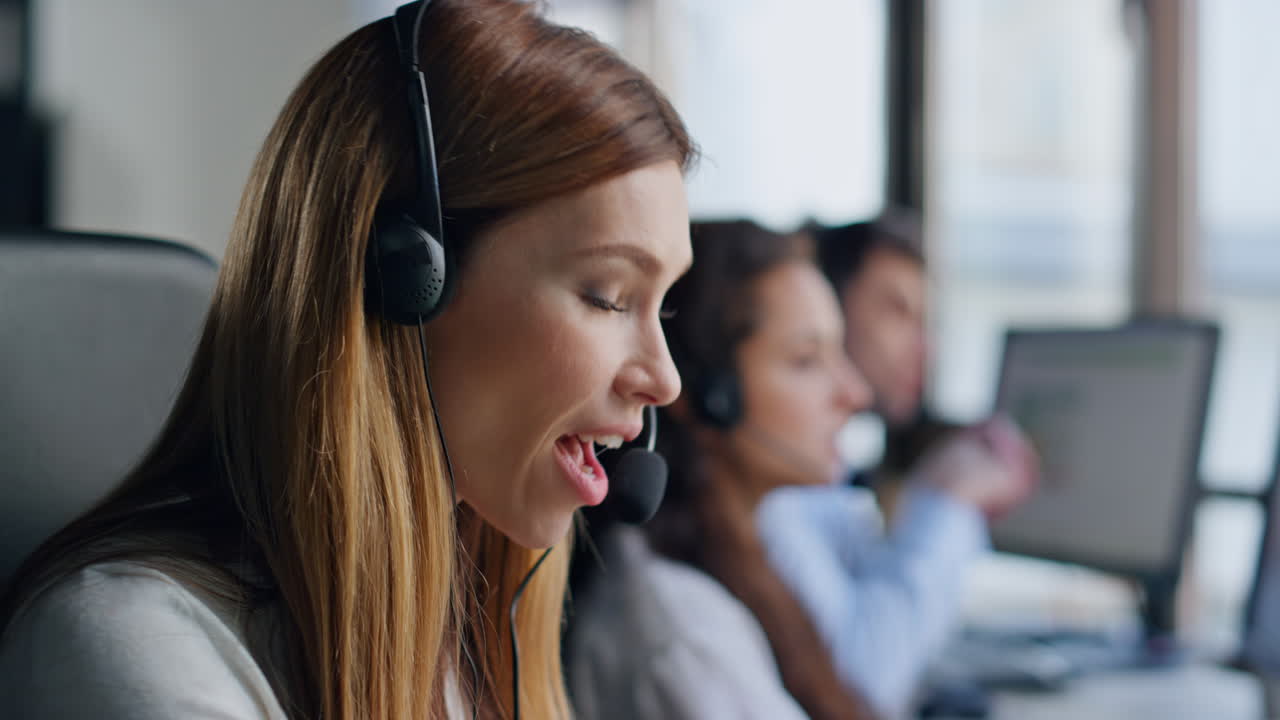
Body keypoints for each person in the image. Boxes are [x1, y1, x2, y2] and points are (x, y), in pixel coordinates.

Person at [0, 2, 695, 718]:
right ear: (405, 276)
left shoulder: (458, 650)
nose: (664, 378)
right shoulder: (129, 648)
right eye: (610, 295)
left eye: (664, 304)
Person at [566, 221, 883, 720]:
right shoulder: (687, 637)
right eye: (806, 360)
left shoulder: (738, 556)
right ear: (711, 397)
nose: (855, 393)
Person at [753, 209, 1040, 717]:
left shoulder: (828, 488)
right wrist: (948, 500)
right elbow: (866, 679)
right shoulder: (771, 494)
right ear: (830, 305)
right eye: (897, 312)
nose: (924, 347)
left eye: (926, 321)